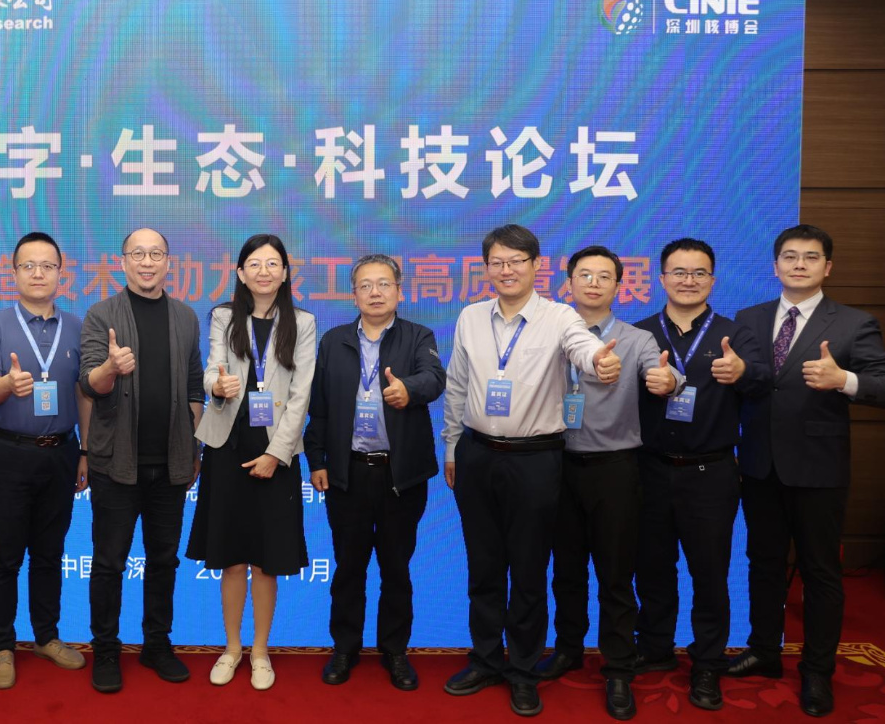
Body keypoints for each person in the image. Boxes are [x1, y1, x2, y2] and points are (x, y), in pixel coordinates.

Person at [442, 224, 621, 717]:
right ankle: (485, 659)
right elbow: (457, 385)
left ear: (536, 265)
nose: (507, 270)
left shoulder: (559, 316)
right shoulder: (470, 317)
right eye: (497, 262)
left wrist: (599, 362)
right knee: (483, 566)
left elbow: (583, 348)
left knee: (527, 569)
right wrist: (452, 447)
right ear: (486, 268)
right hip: (477, 454)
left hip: (535, 459)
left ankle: (522, 669)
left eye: (517, 261)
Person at [728, 225, 885, 718]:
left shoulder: (854, 323)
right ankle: (764, 651)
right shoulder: (749, 318)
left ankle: (817, 671)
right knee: (763, 563)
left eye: (811, 257)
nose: (799, 264)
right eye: (790, 256)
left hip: (819, 468)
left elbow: (881, 383)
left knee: (820, 571)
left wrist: (845, 379)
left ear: (827, 267)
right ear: (774, 265)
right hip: (759, 463)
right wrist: (737, 376)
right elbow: (755, 382)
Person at [535, 246, 681, 721]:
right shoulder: (548, 333)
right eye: (584, 275)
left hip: (615, 469)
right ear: (568, 283)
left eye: (604, 276)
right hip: (555, 463)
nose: (593, 283)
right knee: (566, 570)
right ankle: (568, 649)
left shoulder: (636, 339)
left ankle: (618, 667)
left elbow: (664, 374)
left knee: (616, 575)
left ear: (620, 286)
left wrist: (668, 381)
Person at [632, 237, 769, 711]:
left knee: (709, 573)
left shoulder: (735, 334)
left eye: (698, 273)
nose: (688, 281)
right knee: (651, 567)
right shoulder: (641, 334)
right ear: (661, 278)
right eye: (679, 272)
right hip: (649, 469)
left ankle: (707, 662)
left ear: (712, 279)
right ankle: (655, 646)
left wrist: (742, 372)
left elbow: (764, 382)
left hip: (710, 473)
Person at [305, 253, 445, 693]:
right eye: (365, 285)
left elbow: (434, 378)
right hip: (348, 473)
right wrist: (317, 461)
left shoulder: (418, 336)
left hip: (400, 476)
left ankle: (395, 650)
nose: (375, 292)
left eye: (384, 284)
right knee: (349, 567)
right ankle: (344, 648)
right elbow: (319, 408)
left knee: (396, 568)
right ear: (354, 295)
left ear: (399, 291)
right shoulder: (334, 342)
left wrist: (409, 390)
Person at [78, 228, 204, 693]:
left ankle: (157, 644)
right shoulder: (101, 314)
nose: (147, 262)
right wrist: (111, 368)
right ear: (123, 261)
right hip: (116, 464)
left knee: (164, 559)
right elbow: (90, 384)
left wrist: (193, 446)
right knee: (109, 561)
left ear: (169, 262)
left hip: (171, 464)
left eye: (156, 254)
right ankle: (106, 650)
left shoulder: (185, 316)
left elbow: (194, 386)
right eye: (138, 254)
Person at [188, 234, 315, 691]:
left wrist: (276, 454)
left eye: (273, 263)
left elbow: (300, 395)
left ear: (285, 272)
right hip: (227, 447)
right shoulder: (224, 316)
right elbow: (212, 368)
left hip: (275, 452)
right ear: (240, 273)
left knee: (266, 561)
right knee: (231, 559)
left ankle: (260, 650)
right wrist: (215, 386)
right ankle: (232, 647)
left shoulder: (303, 322)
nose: (264, 271)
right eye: (254, 264)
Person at [0, 231, 91, 690]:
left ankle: (46, 636)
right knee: (4, 557)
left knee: (49, 553)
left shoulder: (77, 326)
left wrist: (84, 450)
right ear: (14, 272)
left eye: (47, 265)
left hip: (61, 453)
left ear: (61, 273)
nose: (38, 273)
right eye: (28, 265)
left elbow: (84, 394)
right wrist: (8, 385)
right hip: (8, 453)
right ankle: (2, 645)